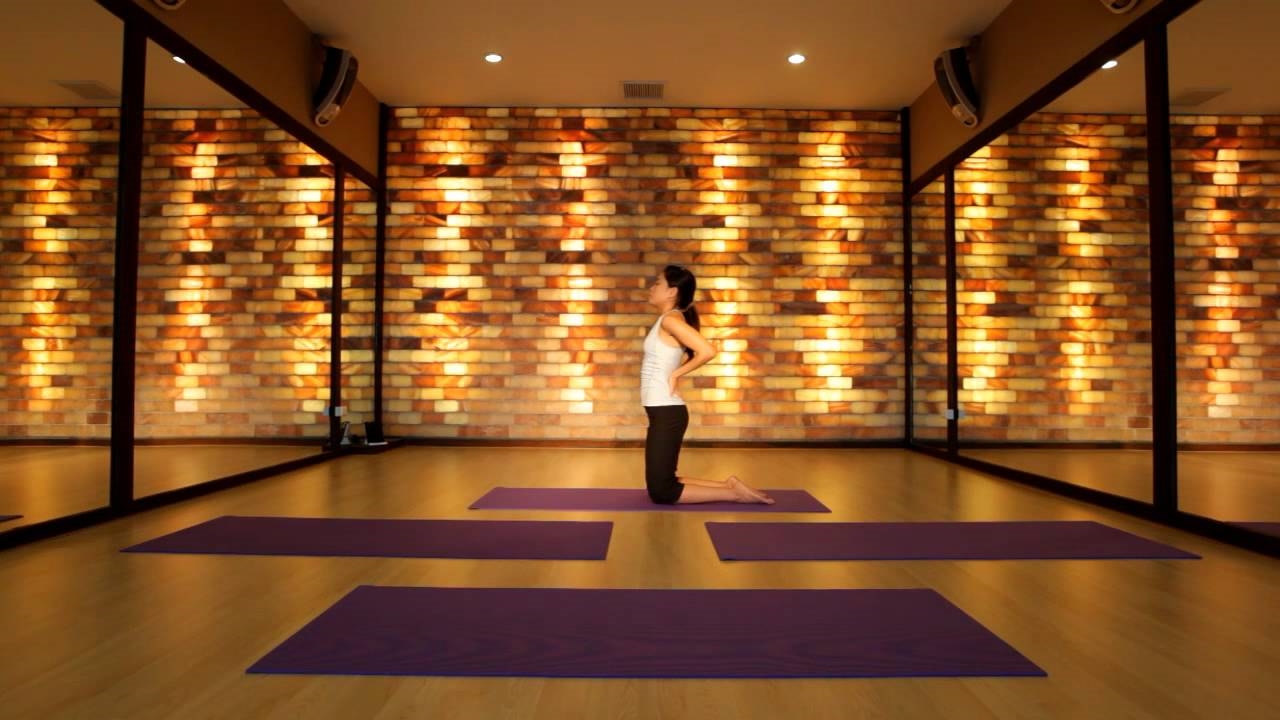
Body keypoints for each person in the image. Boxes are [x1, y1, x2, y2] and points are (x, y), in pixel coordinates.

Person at [641, 265, 773, 505]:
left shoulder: (670, 320)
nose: (652, 287)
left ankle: (734, 495)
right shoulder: (668, 319)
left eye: (657, 283)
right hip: (662, 410)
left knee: (662, 492)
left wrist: (676, 374)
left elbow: (707, 350)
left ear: (672, 291)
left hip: (667, 411)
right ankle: (729, 485)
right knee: (663, 482)